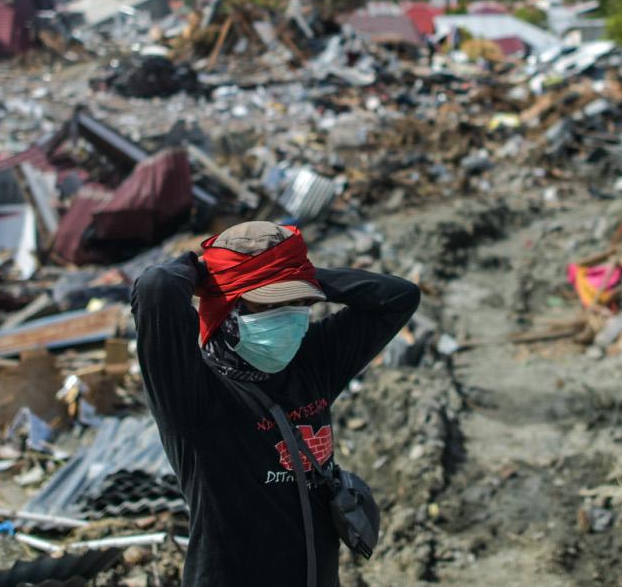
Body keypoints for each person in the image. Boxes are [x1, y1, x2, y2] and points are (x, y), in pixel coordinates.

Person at [131, 221, 420, 586]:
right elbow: (156, 289)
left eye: (300, 302)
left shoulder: (311, 362)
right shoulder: (192, 394)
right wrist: (206, 270)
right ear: (229, 306)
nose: (292, 315)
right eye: (272, 302)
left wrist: (297, 272)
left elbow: (399, 296)